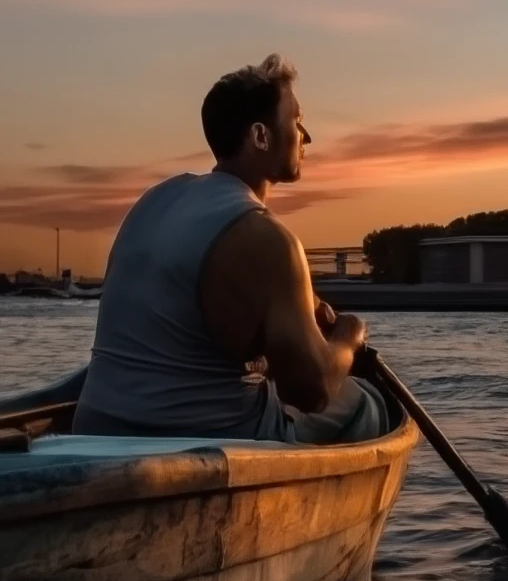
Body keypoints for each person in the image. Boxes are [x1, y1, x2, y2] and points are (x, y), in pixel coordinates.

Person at [72, 54, 389, 444]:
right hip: (201, 442)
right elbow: (312, 390)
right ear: (260, 136)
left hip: (94, 431)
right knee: (369, 405)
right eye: (296, 121)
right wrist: (348, 337)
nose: (306, 137)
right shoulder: (270, 240)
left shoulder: (155, 200)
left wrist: (297, 315)